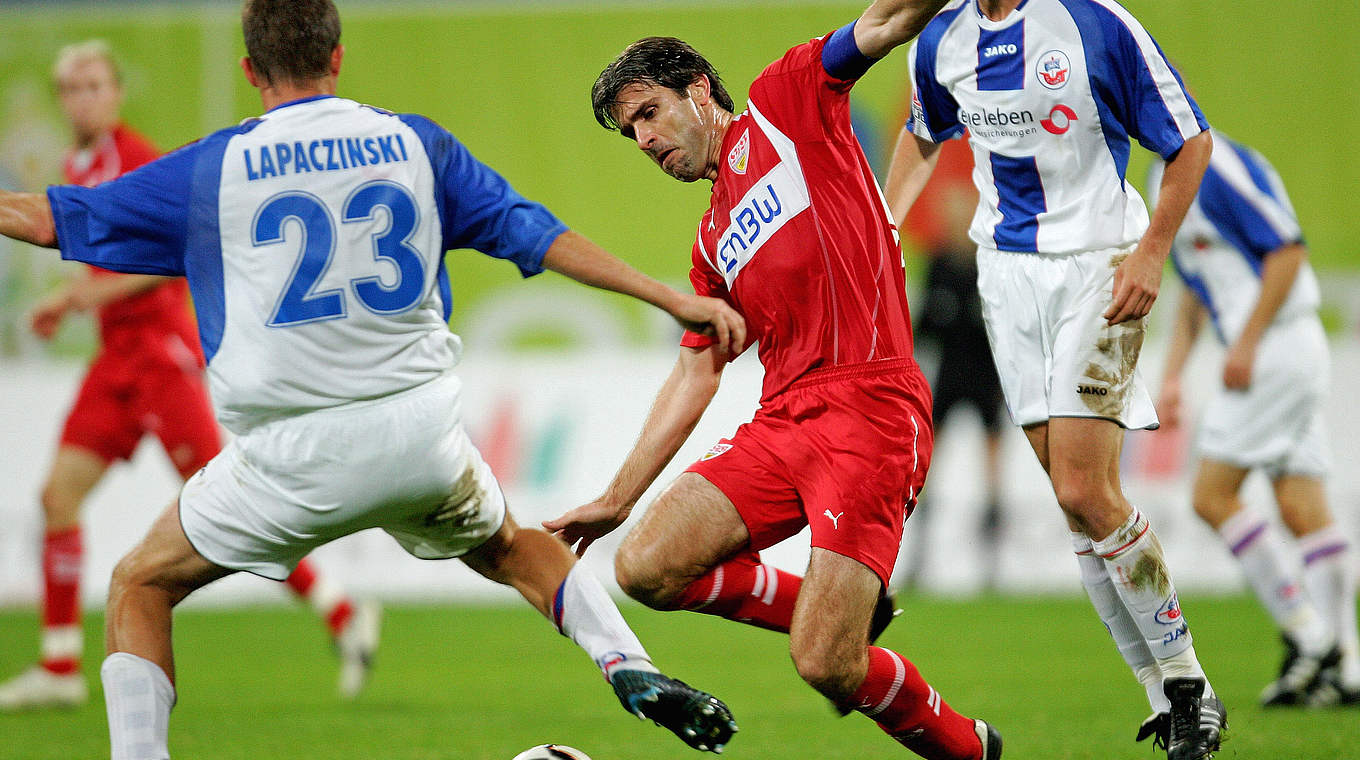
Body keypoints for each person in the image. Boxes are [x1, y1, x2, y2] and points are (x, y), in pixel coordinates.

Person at [0, 2, 745, 757]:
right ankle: (628, 664)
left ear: (250, 70)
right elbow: (535, 233)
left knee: (140, 584)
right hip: (417, 438)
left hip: (288, 455)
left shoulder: (215, 167)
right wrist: (671, 297)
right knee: (517, 546)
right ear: (337, 56)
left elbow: (52, 221)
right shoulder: (415, 145)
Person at [546, 3, 1003, 759]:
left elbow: (885, 23)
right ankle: (838, 609)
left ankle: (967, 749)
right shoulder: (711, 238)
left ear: (698, 90)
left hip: (870, 409)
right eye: (634, 134)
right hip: (783, 423)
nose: (647, 140)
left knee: (826, 664)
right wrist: (617, 498)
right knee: (644, 564)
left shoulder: (786, 102)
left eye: (650, 114)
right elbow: (698, 367)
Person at [882, 1, 1222, 758]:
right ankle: (1160, 695)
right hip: (1004, 281)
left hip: (1101, 265)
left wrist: (1152, 252)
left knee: (1080, 490)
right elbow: (921, 131)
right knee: (1077, 509)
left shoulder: (1094, 23)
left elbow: (1189, 140)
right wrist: (883, 225)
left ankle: (1189, 683)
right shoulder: (941, 37)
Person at [0, 39, 378, 712]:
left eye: (93, 85)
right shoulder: (75, 164)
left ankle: (342, 612)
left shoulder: (138, 157)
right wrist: (79, 301)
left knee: (237, 512)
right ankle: (60, 665)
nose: (81, 98)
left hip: (161, 358)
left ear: (115, 93)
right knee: (57, 499)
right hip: (114, 364)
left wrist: (80, 297)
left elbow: (178, 253)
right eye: (71, 88)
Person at [1153, 130, 1360, 708]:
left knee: (1210, 495)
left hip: (1277, 347)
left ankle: (1312, 637)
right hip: (1276, 351)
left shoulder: (1219, 165)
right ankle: (1345, 668)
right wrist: (1172, 375)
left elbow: (1288, 249)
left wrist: (1245, 342)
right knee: (1302, 507)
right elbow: (1196, 287)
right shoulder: (1162, 177)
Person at [892, 139, 1006, 591]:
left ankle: (992, 566)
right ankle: (919, 558)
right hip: (947, 380)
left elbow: (1004, 327)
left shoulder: (990, 265)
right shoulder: (938, 266)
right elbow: (921, 330)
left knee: (993, 473)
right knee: (927, 473)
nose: (956, 220)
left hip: (988, 379)